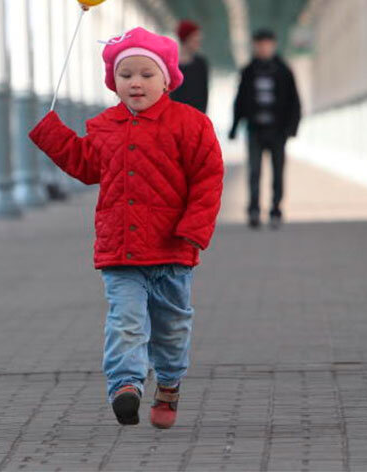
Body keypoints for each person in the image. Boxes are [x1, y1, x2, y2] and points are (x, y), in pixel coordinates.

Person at [29, 27, 223, 429]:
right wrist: (54, 136)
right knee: (126, 320)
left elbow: (208, 178)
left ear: (166, 80)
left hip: (172, 249)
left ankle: (168, 383)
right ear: (113, 81)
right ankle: (125, 386)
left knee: (171, 328)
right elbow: (85, 166)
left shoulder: (191, 124)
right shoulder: (104, 125)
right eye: (126, 75)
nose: (135, 83)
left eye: (146, 75)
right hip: (122, 249)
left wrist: (194, 228)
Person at [228, 29, 302, 229]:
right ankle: (253, 209)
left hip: (278, 130)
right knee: (254, 171)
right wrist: (235, 126)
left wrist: (292, 127)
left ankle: (276, 209)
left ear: (273, 45)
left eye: (266, 44)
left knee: (278, 172)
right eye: (259, 44)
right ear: (255, 46)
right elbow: (240, 100)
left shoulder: (284, 71)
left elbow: (294, 101)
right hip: (255, 129)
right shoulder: (248, 71)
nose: (263, 48)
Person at [170, 20, 210, 113]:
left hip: (195, 117)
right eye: (195, 40)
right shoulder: (170, 65)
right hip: (174, 118)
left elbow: (204, 95)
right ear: (186, 39)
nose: (198, 43)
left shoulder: (201, 64)